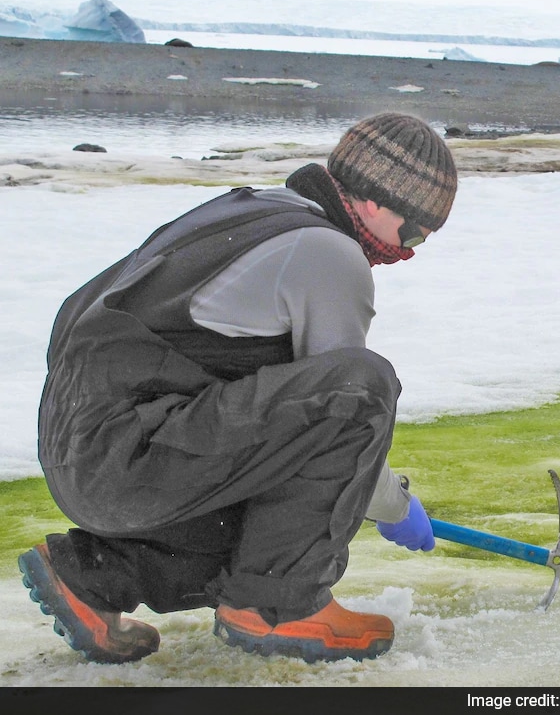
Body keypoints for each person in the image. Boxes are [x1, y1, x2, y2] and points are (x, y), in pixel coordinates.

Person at [18, 112, 458, 664]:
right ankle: (278, 606)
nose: (411, 250)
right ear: (374, 201)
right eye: (415, 231)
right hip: (131, 454)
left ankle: (95, 575)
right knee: (365, 386)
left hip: (85, 451)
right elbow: (342, 411)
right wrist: (393, 503)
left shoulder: (255, 210)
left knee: (267, 509)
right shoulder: (328, 252)